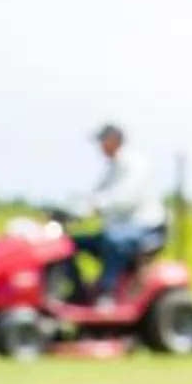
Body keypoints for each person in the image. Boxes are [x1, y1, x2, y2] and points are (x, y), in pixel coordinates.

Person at [66, 123, 168, 303]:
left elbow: (124, 198)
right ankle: (78, 293)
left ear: (114, 140)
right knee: (68, 244)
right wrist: (72, 212)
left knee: (113, 241)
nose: (100, 147)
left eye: (102, 141)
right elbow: (95, 195)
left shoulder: (133, 164)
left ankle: (107, 295)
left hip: (146, 228)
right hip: (122, 228)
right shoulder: (112, 168)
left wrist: (95, 206)